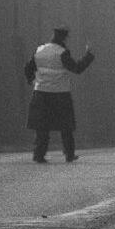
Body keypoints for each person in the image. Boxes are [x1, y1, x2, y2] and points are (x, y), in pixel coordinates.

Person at [24, 25, 95, 163]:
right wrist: (88, 55)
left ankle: (39, 155)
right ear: (64, 38)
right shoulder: (62, 53)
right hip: (60, 94)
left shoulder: (39, 50)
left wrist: (31, 81)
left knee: (42, 127)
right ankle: (69, 154)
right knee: (66, 126)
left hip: (40, 93)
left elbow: (28, 68)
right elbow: (77, 68)